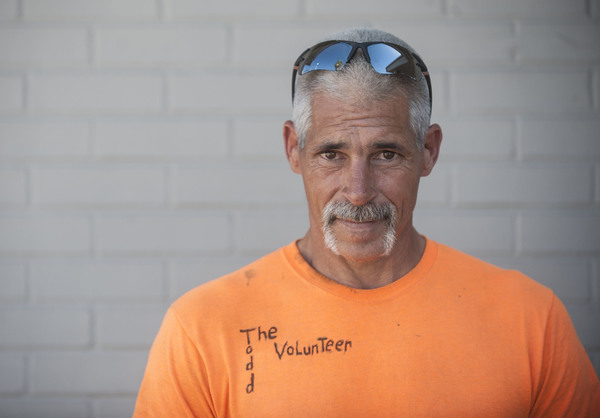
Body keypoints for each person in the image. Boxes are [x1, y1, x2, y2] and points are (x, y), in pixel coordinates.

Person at [133, 28, 600, 417]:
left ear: (429, 151)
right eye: (331, 154)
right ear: (294, 149)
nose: (358, 191)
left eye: (386, 154)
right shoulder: (201, 329)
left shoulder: (532, 321)